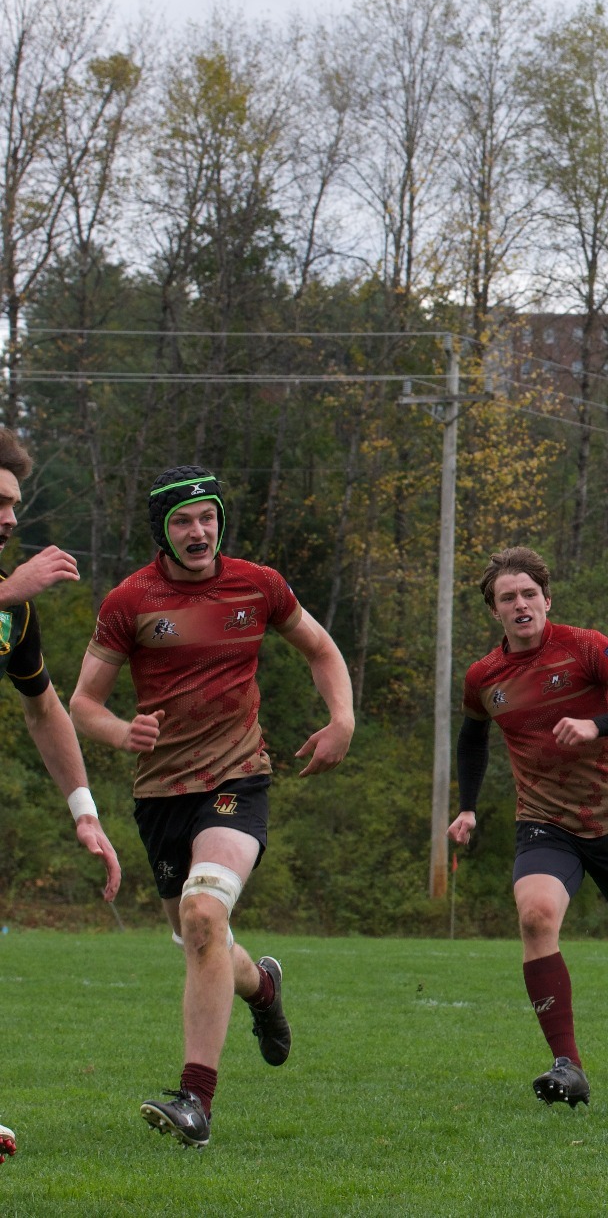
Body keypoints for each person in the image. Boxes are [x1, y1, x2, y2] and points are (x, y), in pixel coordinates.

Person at [70, 466, 354, 1149]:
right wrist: (121, 731)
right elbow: (82, 703)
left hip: (238, 778)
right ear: (161, 531)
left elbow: (320, 648)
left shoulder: (258, 584)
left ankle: (195, 1100)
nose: (199, 531)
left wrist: (341, 716)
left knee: (204, 913)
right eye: (182, 521)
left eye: (207, 517)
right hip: (160, 794)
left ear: (220, 519)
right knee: (198, 934)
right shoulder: (129, 600)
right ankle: (263, 988)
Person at [448, 546, 608, 1109]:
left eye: (529, 594)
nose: (520, 605)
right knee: (536, 916)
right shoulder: (484, 676)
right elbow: (473, 737)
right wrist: (467, 806)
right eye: (507, 598)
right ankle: (569, 1065)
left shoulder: (586, 647)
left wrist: (595, 724)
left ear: (546, 599)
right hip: (543, 823)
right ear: (495, 611)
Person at [0, 429, 121, 1167]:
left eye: (14, 503)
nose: (11, 518)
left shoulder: (11, 610)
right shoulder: (8, 593)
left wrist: (85, 813)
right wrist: (11, 589)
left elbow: (44, 708)